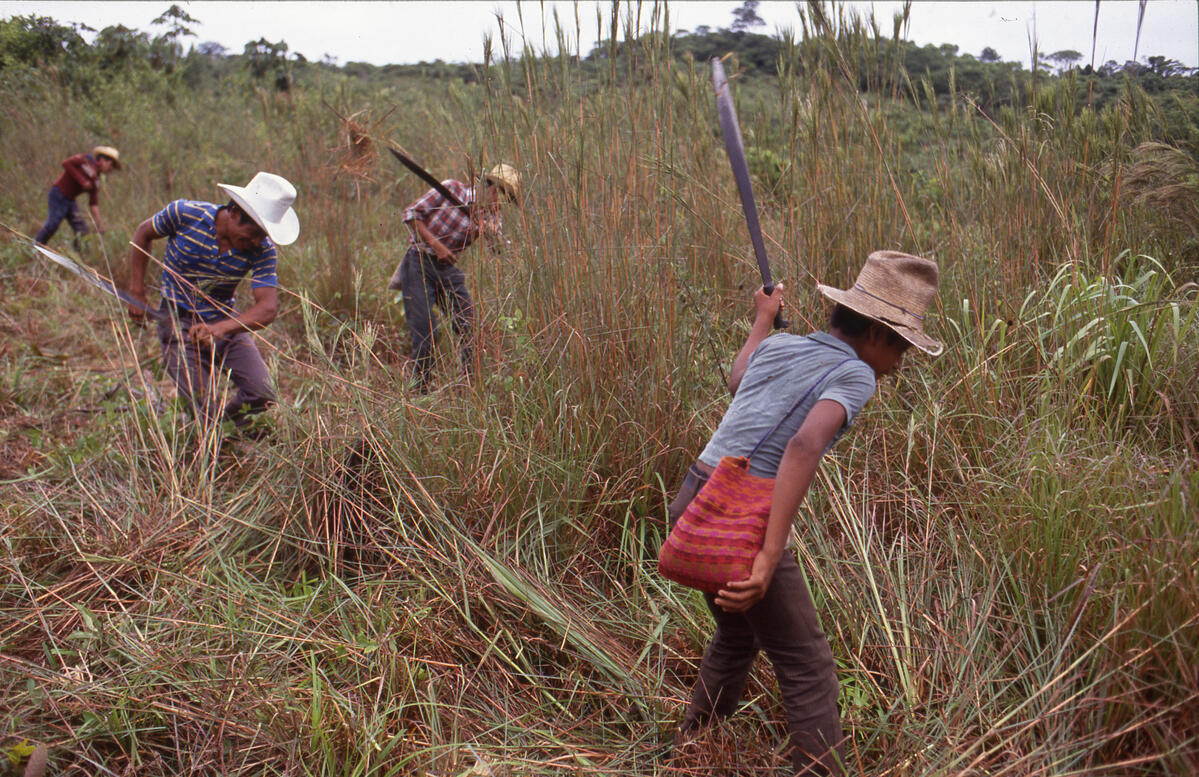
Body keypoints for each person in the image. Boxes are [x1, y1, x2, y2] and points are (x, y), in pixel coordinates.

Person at [667, 251, 943, 775]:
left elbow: (738, 377)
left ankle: (692, 746)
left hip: (694, 499)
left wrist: (761, 321)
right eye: (902, 348)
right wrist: (769, 555)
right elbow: (802, 447)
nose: (900, 365)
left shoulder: (780, 346)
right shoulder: (857, 375)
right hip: (739, 521)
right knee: (808, 664)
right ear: (879, 335)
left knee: (737, 632)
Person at [125, 172, 299, 439]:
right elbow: (142, 232)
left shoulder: (263, 250)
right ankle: (210, 434)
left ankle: (220, 434)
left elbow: (268, 308)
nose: (256, 241)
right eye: (252, 232)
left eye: (262, 235)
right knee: (204, 403)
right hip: (176, 322)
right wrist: (136, 290)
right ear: (233, 212)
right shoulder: (185, 214)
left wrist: (221, 329)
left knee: (262, 392)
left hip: (224, 323)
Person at [387, 163, 520, 392]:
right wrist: (436, 245)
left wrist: (489, 232)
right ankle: (420, 392)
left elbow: (499, 248)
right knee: (426, 333)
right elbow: (411, 214)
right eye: (501, 196)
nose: (501, 203)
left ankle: (470, 386)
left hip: (447, 270)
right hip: (418, 261)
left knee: (469, 329)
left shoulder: (490, 215)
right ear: (491, 190)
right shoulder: (451, 189)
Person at [34, 146, 121, 250]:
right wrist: (82, 181)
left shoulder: (96, 181)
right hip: (58, 194)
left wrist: (99, 224)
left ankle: (78, 259)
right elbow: (66, 163)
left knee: (82, 230)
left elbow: (94, 203)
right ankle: (36, 248)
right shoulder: (85, 160)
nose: (111, 170)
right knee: (53, 224)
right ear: (103, 160)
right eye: (111, 165)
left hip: (70, 201)